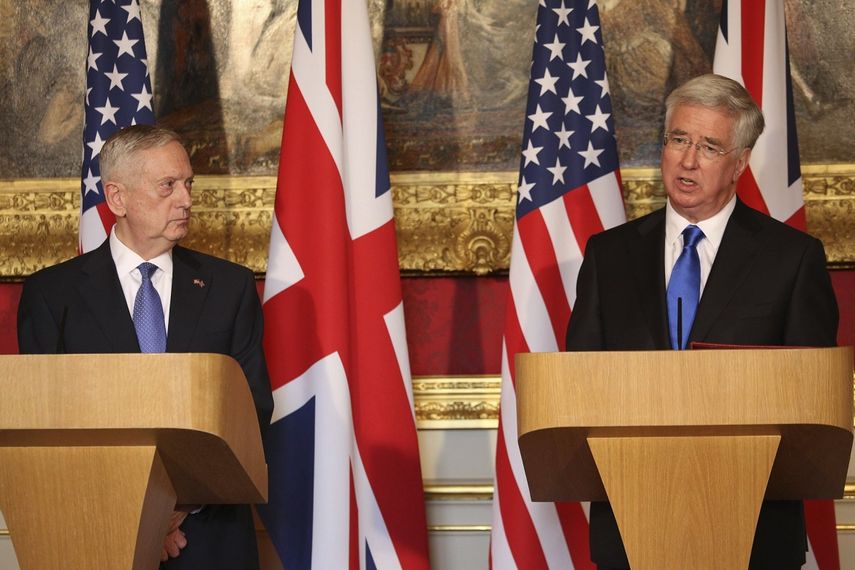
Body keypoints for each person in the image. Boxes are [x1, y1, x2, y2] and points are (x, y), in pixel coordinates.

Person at [565, 74, 838, 569]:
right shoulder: (609, 256)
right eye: (678, 140)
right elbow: (578, 387)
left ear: (739, 163)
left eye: (709, 147)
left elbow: (810, 403)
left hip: (753, 529)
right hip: (630, 524)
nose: (688, 160)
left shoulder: (792, 260)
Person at [17, 125, 274, 569]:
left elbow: (251, 411)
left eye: (188, 183)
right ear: (117, 198)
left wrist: (175, 509)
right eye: (168, 186)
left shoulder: (228, 287)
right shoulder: (51, 294)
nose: (186, 199)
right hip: (94, 533)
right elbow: (44, 423)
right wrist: (136, 514)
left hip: (208, 537)